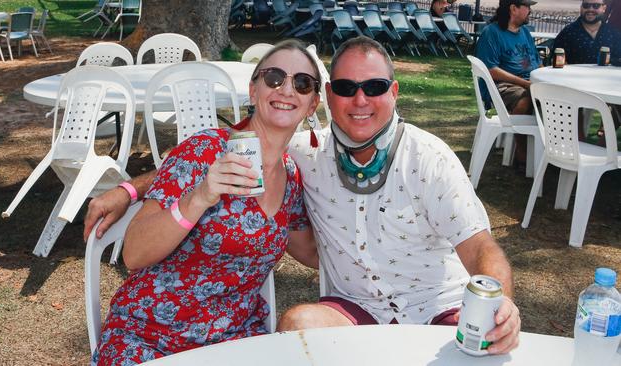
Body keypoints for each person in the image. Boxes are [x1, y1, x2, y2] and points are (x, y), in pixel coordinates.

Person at [85, 37, 521, 356]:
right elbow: (196, 160)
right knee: (297, 324)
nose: (360, 99)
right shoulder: (258, 153)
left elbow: (481, 246)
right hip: (163, 329)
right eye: (347, 87)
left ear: (313, 101)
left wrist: (501, 304)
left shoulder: (410, 158)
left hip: (432, 306)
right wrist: (134, 188)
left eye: (374, 88)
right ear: (328, 98)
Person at [89, 39, 321, 365]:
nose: (286, 89)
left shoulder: (291, 177)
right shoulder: (205, 150)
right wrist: (201, 196)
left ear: (312, 104)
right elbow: (135, 254)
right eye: (273, 78)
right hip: (152, 337)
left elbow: (310, 251)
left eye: (302, 83)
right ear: (253, 91)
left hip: (233, 342)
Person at [475, 0, 542, 166]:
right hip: (503, 85)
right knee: (526, 98)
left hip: (530, 81)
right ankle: (521, 152)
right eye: (527, 7)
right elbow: (491, 70)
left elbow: (537, 61)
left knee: (560, 98)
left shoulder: (525, 32)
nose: (530, 11)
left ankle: (553, 151)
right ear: (514, 8)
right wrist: (525, 84)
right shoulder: (492, 33)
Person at [553, 0, 621, 142]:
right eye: (586, 5)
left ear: (604, 8)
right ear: (581, 8)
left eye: (595, 6)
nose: (590, 9)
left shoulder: (613, 34)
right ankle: (579, 144)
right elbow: (556, 61)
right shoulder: (568, 32)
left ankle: (602, 146)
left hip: (607, 86)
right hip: (575, 87)